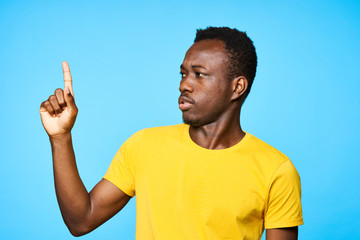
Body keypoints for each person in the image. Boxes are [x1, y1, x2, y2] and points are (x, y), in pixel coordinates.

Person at [40, 27, 303, 240]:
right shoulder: (144, 146)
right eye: (183, 73)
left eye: (199, 74)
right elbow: (81, 221)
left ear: (237, 87)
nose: (184, 84)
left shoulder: (276, 170)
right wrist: (60, 137)